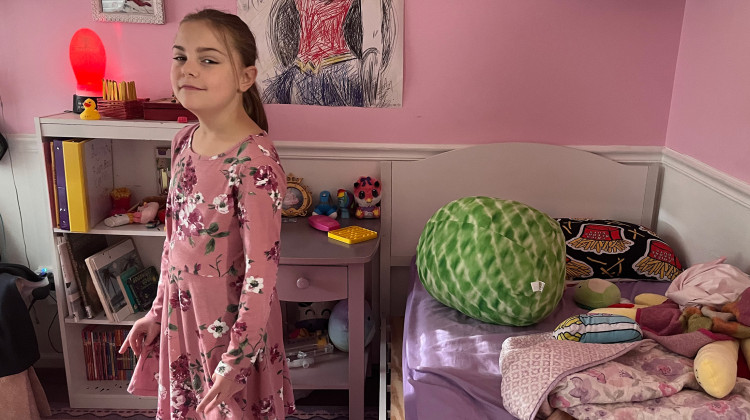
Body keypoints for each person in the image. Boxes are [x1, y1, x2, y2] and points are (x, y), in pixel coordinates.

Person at [119, 9, 294, 419]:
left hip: (230, 330)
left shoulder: (255, 161)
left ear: (245, 78)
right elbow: (173, 242)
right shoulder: (183, 140)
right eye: (180, 57)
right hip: (183, 320)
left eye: (208, 59)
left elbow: (261, 274)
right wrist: (156, 313)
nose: (188, 70)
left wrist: (237, 361)